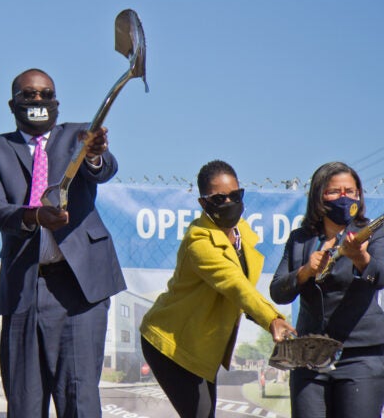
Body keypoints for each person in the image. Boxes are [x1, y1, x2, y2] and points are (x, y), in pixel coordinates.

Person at [0, 68, 125, 417]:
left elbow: (104, 169)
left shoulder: (78, 136)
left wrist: (94, 153)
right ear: (13, 104)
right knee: (24, 404)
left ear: (56, 102)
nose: (38, 100)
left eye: (45, 94)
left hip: (80, 289)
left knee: (79, 401)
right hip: (24, 288)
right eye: (28, 95)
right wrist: (35, 216)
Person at [139, 160, 295, 418]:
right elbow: (234, 283)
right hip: (171, 344)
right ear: (203, 203)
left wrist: (268, 320)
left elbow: (241, 288)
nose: (230, 202)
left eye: (235, 195)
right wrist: (272, 319)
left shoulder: (242, 233)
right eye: (219, 198)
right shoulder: (199, 241)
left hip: (202, 348)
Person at [270, 161, 384, 417]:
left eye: (351, 191)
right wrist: (305, 272)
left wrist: (360, 259)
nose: (344, 198)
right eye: (335, 192)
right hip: (310, 356)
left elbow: (380, 276)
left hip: (361, 357)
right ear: (319, 197)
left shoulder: (372, 234)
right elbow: (278, 290)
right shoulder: (301, 239)